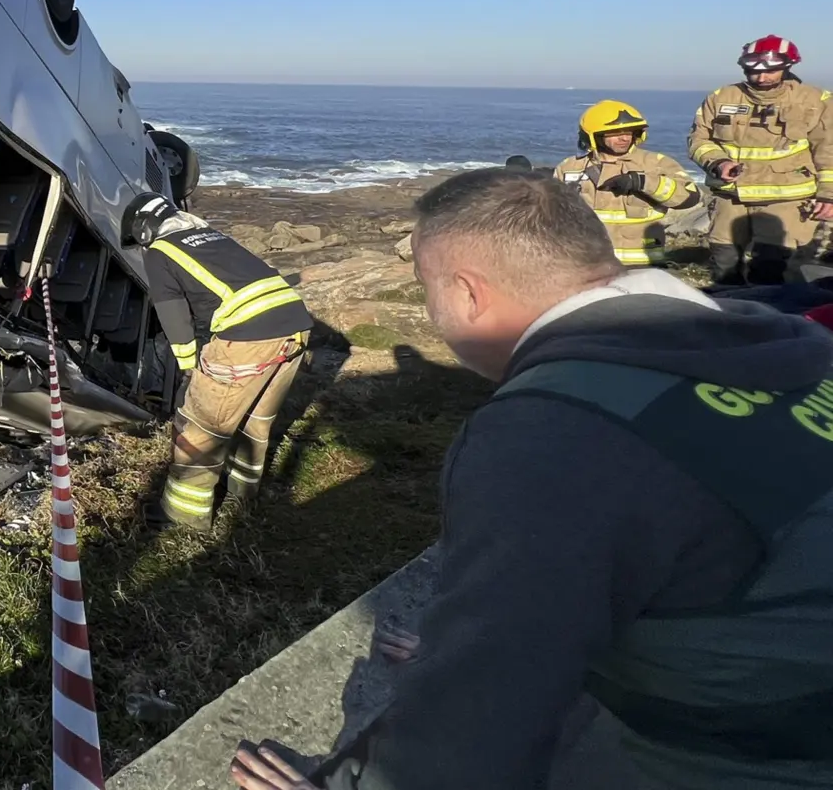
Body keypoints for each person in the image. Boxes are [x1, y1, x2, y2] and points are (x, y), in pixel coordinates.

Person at [229, 167, 833, 790]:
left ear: (467, 292)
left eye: (427, 289)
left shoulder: (555, 430)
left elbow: (479, 713)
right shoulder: (777, 344)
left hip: (759, 749)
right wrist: (472, 638)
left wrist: (477, 658)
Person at [127, 191, 313, 528]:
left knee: (201, 426)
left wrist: (188, 367)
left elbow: (174, 317)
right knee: (255, 417)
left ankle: (184, 516)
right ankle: (242, 489)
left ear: (143, 230)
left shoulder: (160, 251)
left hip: (247, 337)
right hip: (296, 326)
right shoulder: (213, 236)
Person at [688, 35, 833, 284]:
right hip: (730, 197)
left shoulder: (815, 101)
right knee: (724, 264)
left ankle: (774, 318)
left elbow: (828, 150)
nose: (761, 78)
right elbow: (698, 140)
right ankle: (728, 312)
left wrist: (828, 195)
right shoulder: (722, 97)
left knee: (772, 267)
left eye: (770, 72)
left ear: (787, 67)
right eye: (753, 72)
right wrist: (718, 163)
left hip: (786, 199)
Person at [553, 100, 700, 267]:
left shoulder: (655, 163)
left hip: (643, 264)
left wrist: (644, 182)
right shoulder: (569, 167)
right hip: (589, 264)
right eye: (614, 133)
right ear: (594, 136)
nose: (624, 138)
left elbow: (690, 197)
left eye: (629, 132)